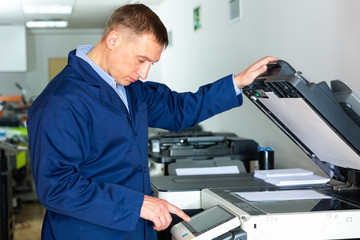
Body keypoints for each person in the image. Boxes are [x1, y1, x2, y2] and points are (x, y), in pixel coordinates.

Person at [27, 3, 277, 240]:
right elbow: (57, 186)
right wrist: (136, 204)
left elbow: (179, 109)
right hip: (88, 232)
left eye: (151, 63)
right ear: (113, 40)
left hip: (135, 227)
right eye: (141, 60)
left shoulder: (130, 88)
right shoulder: (61, 101)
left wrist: (238, 82)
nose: (144, 73)